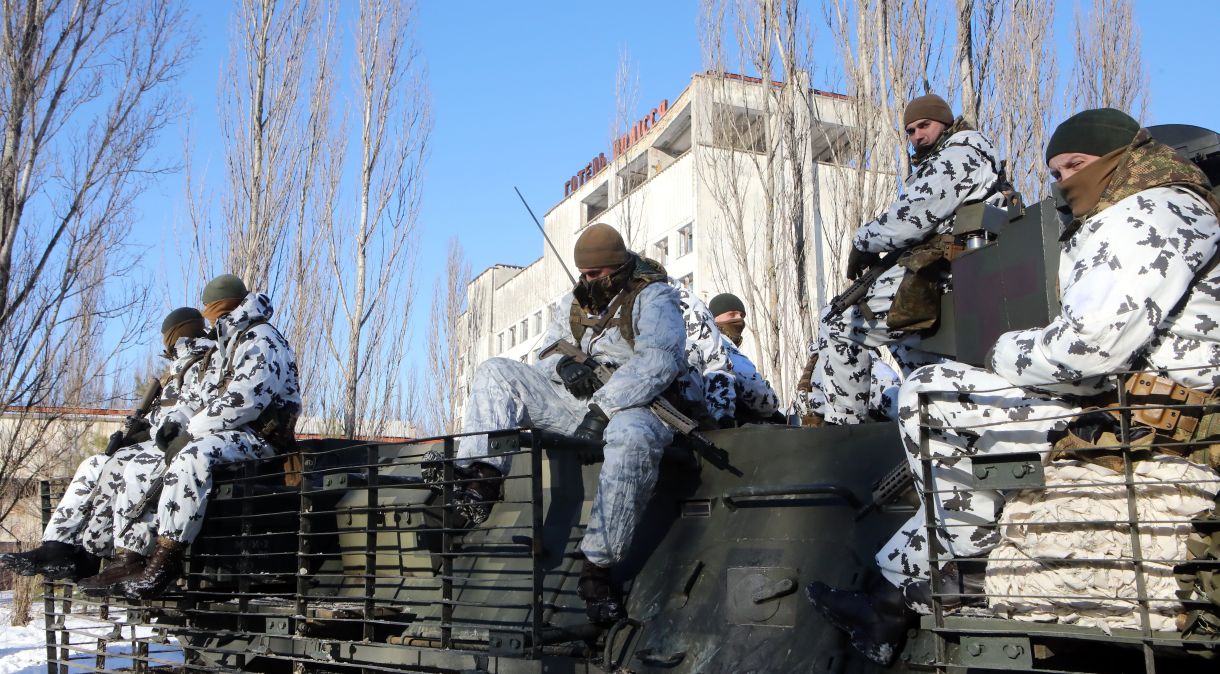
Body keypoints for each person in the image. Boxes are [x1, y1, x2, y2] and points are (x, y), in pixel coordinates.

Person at [806, 108, 1220, 665]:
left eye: (1076, 165)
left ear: (1122, 156)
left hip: (1142, 418)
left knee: (930, 395)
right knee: (955, 454)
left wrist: (1003, 354)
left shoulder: (1148, 208)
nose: (1064, 180)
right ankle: (893, 595)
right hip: (1132, 406)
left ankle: (951, 573)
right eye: (1054, 172)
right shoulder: (1149, 205)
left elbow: (1092, 347)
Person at [454, 223, 686, 625]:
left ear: (616, 267)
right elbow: (546, 350)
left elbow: (659, 361)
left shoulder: (654, 297)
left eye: (594, 274)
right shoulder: (576, 303)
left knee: (632, 438)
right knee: (496, 372)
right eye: (582, 274)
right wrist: (563, 364)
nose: (586, 280)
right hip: (578, 402)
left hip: (639, 405)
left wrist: (604, 410)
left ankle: (596, 570)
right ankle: (479, 482)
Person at [806, 94, 1006, 426]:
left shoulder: (957, 157)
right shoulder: (966, 156)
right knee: (912, 347)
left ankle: (846, 431)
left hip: (946, 274)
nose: (917, 136)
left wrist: (863, 241)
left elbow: (910, 218)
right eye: (910, 131)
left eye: (924, 126)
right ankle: (938, 428)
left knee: (840, 323)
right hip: (948, 273)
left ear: (944, 122)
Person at [105, 275, 301, 598]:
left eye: (213, 315)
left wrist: (192, 431)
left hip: (262, 441)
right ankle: (131, 556)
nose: (210, 321)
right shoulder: (231, 342)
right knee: (142, 465)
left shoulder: (262, 340)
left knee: (190, 457)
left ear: (224, 310)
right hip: (232, 435)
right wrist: (175, 424)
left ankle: (165, 562)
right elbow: (204, 396)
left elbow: (244, 401)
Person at [0, 309, 212, 582]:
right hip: (153, 443)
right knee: (93, 465)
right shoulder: (172, 372)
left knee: (129, 466)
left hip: (178, 447)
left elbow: (192, 412)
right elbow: (157, 417)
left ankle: (104, 556)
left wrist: (161, 433)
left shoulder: (206, 361)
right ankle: (58, 547)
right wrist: (136, 432)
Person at [707, 292, 779, 422]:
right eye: (732, 314)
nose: (739, 319)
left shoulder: (702, 342)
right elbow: (755, 389)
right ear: (714, 319)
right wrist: (774, 406)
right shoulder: (722, 344)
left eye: (742, 315)